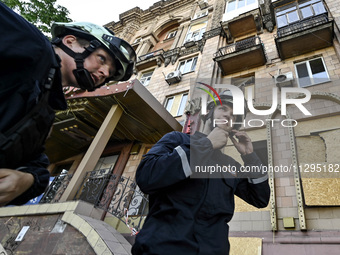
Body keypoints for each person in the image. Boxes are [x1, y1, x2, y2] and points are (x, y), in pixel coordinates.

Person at [0, 2, 136, 206]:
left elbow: (38, 168)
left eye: (110, 74)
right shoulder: (33, 46)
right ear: (70, 41)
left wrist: (25, 180)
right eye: (102, 59)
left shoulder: (46, 109)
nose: (105, 73)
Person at [132, 91, 270, 255]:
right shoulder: (177, 140)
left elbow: (260, 199)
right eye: (223, 108)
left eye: (234, 115)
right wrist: (206, 144)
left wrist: (250, 157)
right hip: (161, 248)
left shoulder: (230, 165)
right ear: (209, 113)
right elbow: (146, 176)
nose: (228, 115)